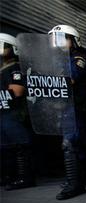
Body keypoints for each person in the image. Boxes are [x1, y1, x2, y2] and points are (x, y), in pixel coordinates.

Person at [48, 25, 86, 200]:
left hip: (75, 108)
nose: (59, 43)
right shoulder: (57, 60)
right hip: (62, 108)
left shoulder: (78, 58)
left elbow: (70, 79)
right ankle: (79, 178)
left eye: (63, 38)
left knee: (70, 143)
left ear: (73, 41)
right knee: (74, 144)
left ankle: (75, 184)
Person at [0, 33, 35, 190]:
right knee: (6, 146)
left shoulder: (16, 68)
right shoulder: (2, 69)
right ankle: (9, 176)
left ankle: (24, 177)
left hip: (14, 113)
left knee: (20, 144)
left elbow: (17, 90)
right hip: (4, 112)